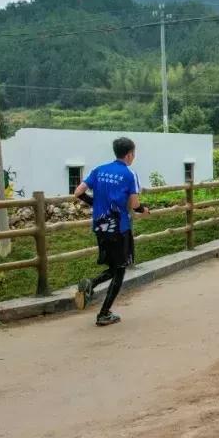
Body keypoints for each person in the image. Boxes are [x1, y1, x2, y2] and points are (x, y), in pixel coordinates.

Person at [73, 137, 149, 326]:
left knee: (114, 267)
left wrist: (96, 203)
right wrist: (143, 210)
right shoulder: (129, 174)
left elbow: (78, 192)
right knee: (121, 269)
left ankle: (91, 284)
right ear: (130, 154)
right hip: (119, 228)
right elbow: (134, 204)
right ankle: (104, 313)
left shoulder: (99, 170)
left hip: (100, 226)